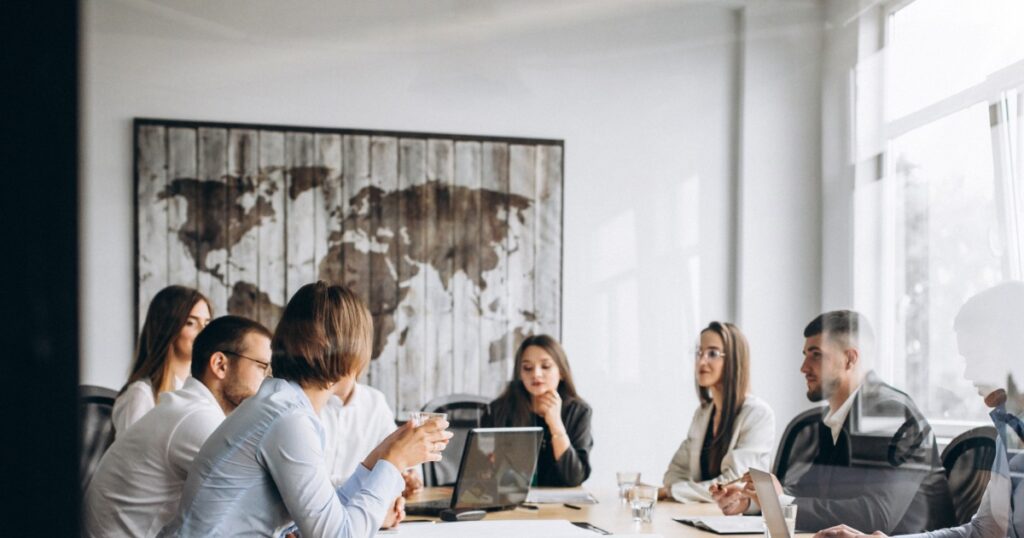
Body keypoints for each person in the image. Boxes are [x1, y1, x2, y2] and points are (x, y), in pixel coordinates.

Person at [160, 281, 453, 537]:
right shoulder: (288, 420)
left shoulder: (281, 403)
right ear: (348, 352)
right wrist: (394, 462)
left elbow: (325, 515)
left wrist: (379, 458)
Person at [712, 310, 954, 534]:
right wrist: (757, 501)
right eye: (805, 355)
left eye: (816, 355)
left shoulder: (889, 413)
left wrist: (781, 502)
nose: (803, 367)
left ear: (850, 359)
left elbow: (876, 515)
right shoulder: (838, 416)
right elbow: (811, 493)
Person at [814, 281, 1024, 538]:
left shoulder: (890, 412)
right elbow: (984, 530)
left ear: (1013, 348)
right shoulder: (1011, 433)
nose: (969, 374)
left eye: (977, 357)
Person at [84, 315, 272, 537]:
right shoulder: (197, 418)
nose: (269, 380)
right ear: (220, 364)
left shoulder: (189, 408)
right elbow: (258, 503)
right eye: (262, 367)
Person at [661, 321, 775, 502]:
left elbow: (733, 483)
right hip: (702, 514)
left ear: (733, 360)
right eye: (699, 353)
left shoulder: (758, 414)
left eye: (712, 353)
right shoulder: (703, 413)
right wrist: (676, 489)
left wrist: (673, 492)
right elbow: (674, 474)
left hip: (736, 519)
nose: (702, 361)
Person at [483, 334, 593, 487]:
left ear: (561, 372)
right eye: (527, 368)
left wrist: (556, 425)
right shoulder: (499, 409)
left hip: (562, 506)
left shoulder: (579, 411)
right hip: (511, 501)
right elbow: (482, 472)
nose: (536, 374)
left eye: (546, 366)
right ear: (520, 374)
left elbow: (574, 477)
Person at [113, 285, 212, 434]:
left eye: (206, 324)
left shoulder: (201, 391)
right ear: (167, 328)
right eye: (191, 323)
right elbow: (131, 456)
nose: (204, 333)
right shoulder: (140, 395)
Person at [321, 374, 423, 497]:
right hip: (321, 507)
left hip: (364, 503)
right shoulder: (309, 402)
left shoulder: (375, 401)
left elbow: (397, 448)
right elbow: (311, 485)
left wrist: (409, 475)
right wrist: (381, 481)